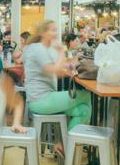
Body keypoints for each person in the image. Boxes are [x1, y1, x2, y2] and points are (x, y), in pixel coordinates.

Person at [22, 20, 92, 155]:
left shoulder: (48, 49)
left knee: (84, 110)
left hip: (48, 98)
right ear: (42, 32)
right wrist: (61, 53)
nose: (56, 33)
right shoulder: (37, 48)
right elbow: (53, 70)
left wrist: (71, 65)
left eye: (56, 29)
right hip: (40, 100)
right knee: (87, 95)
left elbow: (61, 69)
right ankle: (69, 146)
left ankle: (63, 144)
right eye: (52, 30)